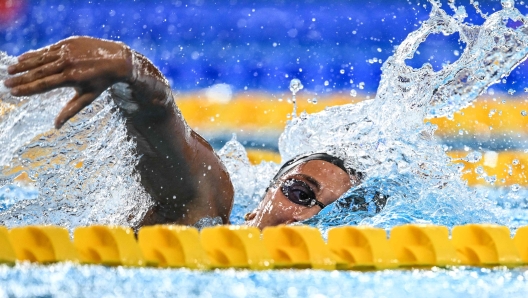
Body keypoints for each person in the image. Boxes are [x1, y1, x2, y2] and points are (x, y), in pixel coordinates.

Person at [3, 36, 363, 229]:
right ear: (257, 206)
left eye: (336, 215)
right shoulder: (207, 212)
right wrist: (129, 68)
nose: (307, 217)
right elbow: (162, 120)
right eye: (300, 192)